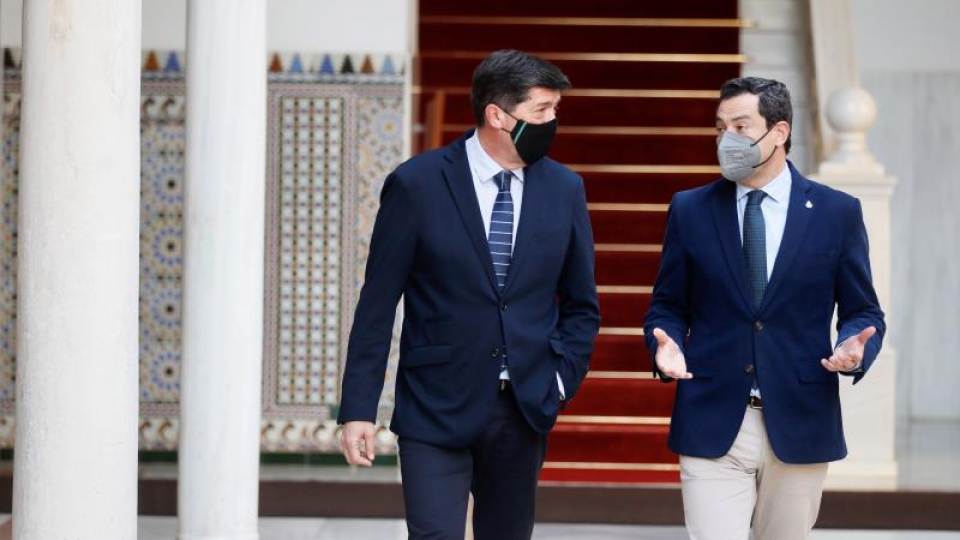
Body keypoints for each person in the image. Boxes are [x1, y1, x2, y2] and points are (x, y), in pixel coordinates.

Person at [337, 49, 600, 540]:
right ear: (497, 115)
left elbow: (582, 305)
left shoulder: (564, 189)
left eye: (554, 111)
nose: (552, 122)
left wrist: (559, 382)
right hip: (435, 403)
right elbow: (376, 305)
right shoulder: (417, 184)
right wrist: (357, 409)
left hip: (522, 408)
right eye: (542, 111)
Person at [644, 76, 885, 540]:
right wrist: (665, 344)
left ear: (779, 131)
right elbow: (667, 306)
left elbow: (864, 312)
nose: (726, 139)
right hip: (712, 416)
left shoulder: (837, 213)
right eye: (719, 127)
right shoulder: (691, 209)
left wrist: (853, 348)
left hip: (799, 416)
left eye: (740, 125)